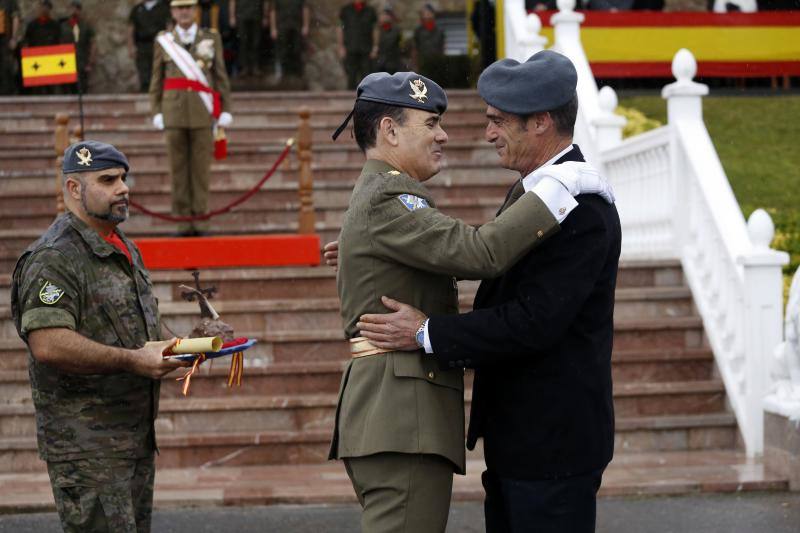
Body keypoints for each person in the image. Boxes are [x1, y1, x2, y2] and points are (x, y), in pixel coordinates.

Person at [327, 70, 613, 532]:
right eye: (430, 124)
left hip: (542, 437)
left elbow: (534, 318)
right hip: (403, 417)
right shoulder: (390, 196)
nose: (448, 135)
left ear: (539, 123)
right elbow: (482, 251)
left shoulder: (584, 211)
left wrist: (372, 253)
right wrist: (562, 190)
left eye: (498, 120)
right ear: (390, 130)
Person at [10, 140, 190, 533]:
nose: (123, 188)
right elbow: (48, 342)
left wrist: (187, 347)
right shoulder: (54, 258)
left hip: (133, 439)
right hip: (87, 446)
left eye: (123, 178)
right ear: (75, 189)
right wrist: (132, 360)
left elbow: (143, 324)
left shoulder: (121, 246)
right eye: (108, 180)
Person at [150, 0, 233, 237]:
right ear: (173, 12)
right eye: (179, 8)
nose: (184, 12)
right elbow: (157, 78)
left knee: (200, 171)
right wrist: (156, 111)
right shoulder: (164, 40)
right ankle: (183, 222)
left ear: (196, 10)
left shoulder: (211, 37)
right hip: (173, 112)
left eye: (188, 7)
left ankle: (201, 220)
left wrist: (226, 108)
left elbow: (220, 76)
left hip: (202, 113)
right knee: (177, 170)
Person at [128, 0, 171, 93]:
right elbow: (131, 29)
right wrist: (131, 47)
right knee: (144, 71)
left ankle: (160, 93)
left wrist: (170, 45)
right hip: (142, 44)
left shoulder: (164, 7)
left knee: (159, 70)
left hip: (160, 44)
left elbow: (169, 27)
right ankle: (145, 93)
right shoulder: (137, 9)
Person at [337, 0, 376, 90]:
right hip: (350, 47)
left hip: (366, 48)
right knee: (351, 75)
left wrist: (375, 47)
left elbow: (375, 30)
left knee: (367, 76)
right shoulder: (346, 10)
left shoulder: (370, 10)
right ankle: (350, 99)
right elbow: (340, 29)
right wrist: (341, 46)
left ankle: (366, 99)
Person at [269, 0, 309, 85]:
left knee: (297, 49)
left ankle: (297, 74)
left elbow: (305, 10)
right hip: (282, 27)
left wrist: (305, 25)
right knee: (282, 51)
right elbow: (273, 12)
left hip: (296, 26)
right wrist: (273, 28)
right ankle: (283, 74)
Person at [60, 0, 95, 93]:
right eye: (72, 8)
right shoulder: (63, 26)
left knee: (82, 88)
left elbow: (92, 43)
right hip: (65, 62)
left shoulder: (86, 26)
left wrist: (90, 61)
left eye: (77, 9)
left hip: (81, 61)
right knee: (67, 89)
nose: (74, 11)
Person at [230, 0, 266, 76]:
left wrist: (265, 16)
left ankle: (255, 66)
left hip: (256, 15)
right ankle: (244, 67)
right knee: (243, 42)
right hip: (242, 14)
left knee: (256, 42)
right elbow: (232, 1)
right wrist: (232, 16)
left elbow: (265, 2)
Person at [412, 3, 444, 81]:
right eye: (425, 14)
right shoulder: (418, 30)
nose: (427, 16)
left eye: (429, 13)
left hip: (436, 62)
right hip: (423, 62)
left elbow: (442, 46)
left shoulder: (439, 30)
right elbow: (415, 47)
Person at [372, 7, 402, 75]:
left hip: (392, 62)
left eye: (385, 15)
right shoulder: (377, 29)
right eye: (382, 15)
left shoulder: (396, 30)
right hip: (379, 61)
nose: (383, 17)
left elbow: (400, 44)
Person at [0, 0, 20, 95]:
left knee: (6, 68)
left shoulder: (10, 1)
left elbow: (15, 18)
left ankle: (6, 94)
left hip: (5, 40)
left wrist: (14, 38)